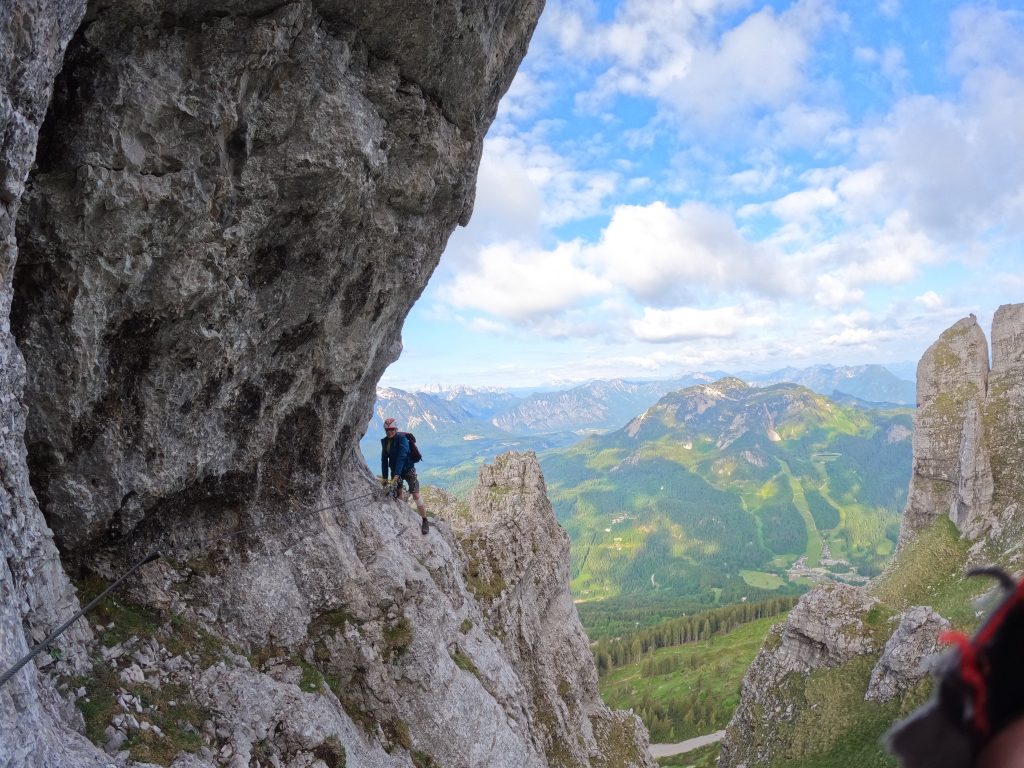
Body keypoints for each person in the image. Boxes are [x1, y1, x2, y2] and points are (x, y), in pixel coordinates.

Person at [380, 417, 429, 534]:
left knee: (415, 494)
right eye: (387, 430)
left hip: (408, 470)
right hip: (395, 471)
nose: (389, 432)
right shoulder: (385, 442)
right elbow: (384, 460)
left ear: (396, 429)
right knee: (399, 492)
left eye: (392, 430)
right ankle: (403, 517)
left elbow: (402, 457)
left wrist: (396, 475)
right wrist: (385, 479)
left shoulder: (403, 439)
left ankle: (424, 520)